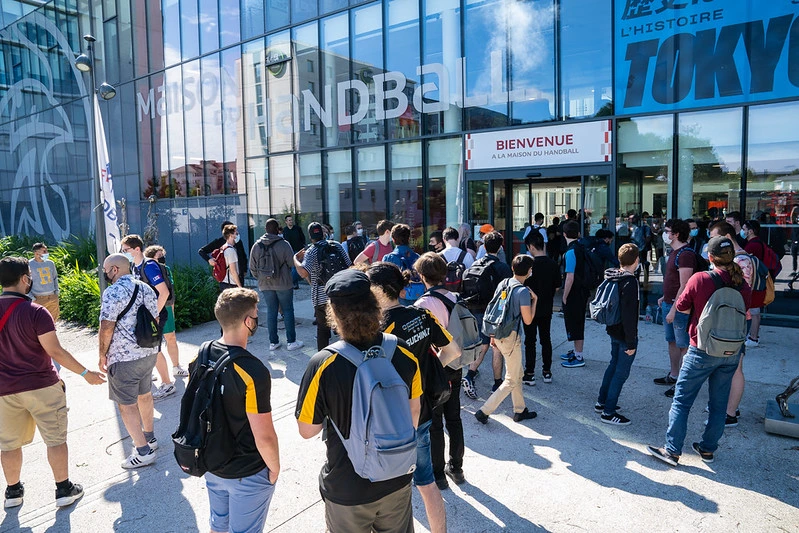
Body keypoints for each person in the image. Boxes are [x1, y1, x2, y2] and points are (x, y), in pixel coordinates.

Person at [295, 269, 422, 533]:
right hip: (396, 477)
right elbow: (414, 414)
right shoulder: (401, 351)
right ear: (376, 303)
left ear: (334, 313)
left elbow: (307, 431)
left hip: (348, 487)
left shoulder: (324, 363)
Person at [0, 257, 105, 509]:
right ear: (26, 279)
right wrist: (85, 373)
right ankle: (64, 488)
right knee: (55, 439)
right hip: (42, 386)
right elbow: (55, 351)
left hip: (4, 391)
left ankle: (13, 492)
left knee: (8, 443)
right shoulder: (35, 311)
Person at [368, 260, 459, 532]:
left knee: (389, 489)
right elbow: (452, 352)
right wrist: (427, 374)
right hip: (424, 411)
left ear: (381, 291)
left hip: (392, 419)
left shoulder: (379, 330)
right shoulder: (421, 315)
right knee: (426, 482)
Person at [648, 236, 751, 466]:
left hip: (701, 348)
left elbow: (682, 306)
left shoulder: (701, 279)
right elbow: (745, 313)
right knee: (718, 403)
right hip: (730, 351)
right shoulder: (742, 284)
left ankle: (672, 451)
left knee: (682, 401)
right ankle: (707, 449)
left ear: (710, 257)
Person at [202, 288, 280, 533]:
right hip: (247, 471)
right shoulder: (253, 371)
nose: (257, 318)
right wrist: (275, 467)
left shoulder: (203, 353)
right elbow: (264, 436)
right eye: (255, 314)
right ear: (248, 321)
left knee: (218, 526)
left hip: (212, 465)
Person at [410, 253, 466, 491]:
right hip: (456, 366)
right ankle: (457, 468)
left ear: (422, 276)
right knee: (454, 419)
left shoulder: (423, 304)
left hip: (437, 367)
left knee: (434, 424)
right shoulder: (454, 296)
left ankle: (438, 474)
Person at [98, 253, 160, 469]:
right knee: (145, 395)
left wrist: (102, 354)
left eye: (106, 270)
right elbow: (156, 318)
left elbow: (106, 326)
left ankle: (143, 451)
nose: (105, 274)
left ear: (114, 269)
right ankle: (150, 437)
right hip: (148, 352)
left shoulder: (112, 292)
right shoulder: (146, 288)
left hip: (124, 357)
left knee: (126, 405)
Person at [474, 255, 538, 424]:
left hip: (498, 333)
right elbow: (528, 320)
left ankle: (520, 410)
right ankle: (484, 411)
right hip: (511, 337)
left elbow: (498, 310)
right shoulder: (523, 292)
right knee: (511, 378)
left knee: (517, 372)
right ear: (529, 271)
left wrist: (493, 336)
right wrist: (535, 301)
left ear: (512, 269)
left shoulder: (504, 283)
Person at [709, 221, 759, 428]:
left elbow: (738, 296)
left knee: (735, 367)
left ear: (726, 238)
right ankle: (726, 406)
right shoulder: (740, 258)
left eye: (714, 237)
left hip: (735, 320)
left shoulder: (741, 261)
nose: (711, 241)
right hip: (733, 319)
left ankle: (730, 413)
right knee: (726, 367)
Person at [120, 234, 176, 400]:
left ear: (137, 249)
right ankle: (154, 376)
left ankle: (167, 384)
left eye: (126, 250)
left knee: (154, 349)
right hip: (146, 314)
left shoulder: (149, 266)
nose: (124, 253)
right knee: (147, 348)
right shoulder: (135, 266)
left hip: (154, 314)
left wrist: (154, 315)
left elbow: (163, 292)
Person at [461, 231, 513, 398]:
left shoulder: (474, 265)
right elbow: (506, 294)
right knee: (494, 347)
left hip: (474, 309)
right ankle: (496, 382)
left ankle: (471, 374)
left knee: (481, 344)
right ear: (500, 247)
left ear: (483, 246)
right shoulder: (503, 268)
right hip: (494, 312)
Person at [595, 244, 640, 425]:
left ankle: (602, 401)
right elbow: (629, 315)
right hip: (624, 334)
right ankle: (608, 412)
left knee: (613, 365)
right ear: (636, 261)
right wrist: (631, 343)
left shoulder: (614, 276)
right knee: (621, 373)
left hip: (613, 329)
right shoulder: (630, 282)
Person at [654, 219, 695, 398]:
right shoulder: (675, 252)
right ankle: (674, 375)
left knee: (683, 345)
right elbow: (674, 281)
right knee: (672, 341)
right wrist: (665, 297)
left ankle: (684, 384)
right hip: (670, 303)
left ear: (676, 234)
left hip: (678, 307)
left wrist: (673, 309)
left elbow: (685, 284)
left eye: (668, 230)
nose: (665, 233)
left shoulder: (685, 254)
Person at [295, 222, 351, 350]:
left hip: (321, 296)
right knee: (344, 327)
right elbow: (349, 266)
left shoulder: (312, 251)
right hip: (340, 293)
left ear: (310, 237)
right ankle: (348, 355)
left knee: (323, 330)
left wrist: (295, 259)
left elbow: (303, 272)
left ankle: (323, 360)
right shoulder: (337, 245)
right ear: (324, 233)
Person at [250, 218, 304, 352]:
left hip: (265, 285)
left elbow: (252, 268)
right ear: (276, 230)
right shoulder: (284, 244)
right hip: (283, 283)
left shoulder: (256, 246)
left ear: (266, 230)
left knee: (271, 311)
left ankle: (273, 342)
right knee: (287, 310)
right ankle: (291, 342)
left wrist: (262, 278)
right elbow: (292, 264)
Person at [522, 229, 560, 386]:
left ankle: (529, 373)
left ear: (531, 247)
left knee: (530, 341)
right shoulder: (553, 264)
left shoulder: (528, 265)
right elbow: (557, 287)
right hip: (546, 307)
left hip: (528, 308)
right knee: (546, 339)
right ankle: (547, 372)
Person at [143, 245, 187, 379]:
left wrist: (171, 309)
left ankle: (176, 366)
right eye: (160, 254)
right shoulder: (143, 268)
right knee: (148, 342)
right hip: (149, 307)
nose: (163, 257)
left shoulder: (165, 269)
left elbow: (170, 291)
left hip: (165, 307)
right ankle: (148, 372)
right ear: (153, 255)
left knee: (170, 338)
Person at [560, 221, 590, 369]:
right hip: (582, 291)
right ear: (578, 234)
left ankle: (579, 355)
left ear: (564, 234)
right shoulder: (580, 247)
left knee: (575, 323)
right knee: (577, 322)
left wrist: (564, 296)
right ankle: (576, 351)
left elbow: (569, 276)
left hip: (574, 293)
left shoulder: (570, 252)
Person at [742, 219, 770, 348]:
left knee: (754, 311)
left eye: (744, 229)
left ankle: (753, 337)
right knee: (755, 310)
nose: (743, 231)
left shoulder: (753, 245)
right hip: (758, 281)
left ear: (750, 231)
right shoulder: (758, 243)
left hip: (754, 282)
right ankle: (753, 336)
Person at [198, 220, 248, 289]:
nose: (237, 234)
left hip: (238, 274)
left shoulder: (238, 242)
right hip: (228, 278)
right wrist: (209, 260)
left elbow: (243, 255)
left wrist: (244, 269)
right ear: (230, 233)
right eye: (235, 232)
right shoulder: (222, 244)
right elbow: (202, 251)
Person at [30, 243, 60, 321]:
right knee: (39, 322)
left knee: (53, 322)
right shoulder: (29, 265)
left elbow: (55, 277)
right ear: (36, 253)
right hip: (38, 298)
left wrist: (56, 293)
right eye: (44, 251)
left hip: (52, 297)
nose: (47, 253)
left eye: (46, 250)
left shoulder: (50, 263)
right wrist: (32, 298)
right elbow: (26, 282)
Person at [790, 205, 799, 275]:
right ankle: (794, 270)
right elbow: (791, 217)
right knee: (794, 257)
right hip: (794, 242)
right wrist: (794, 210)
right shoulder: (794, 223)